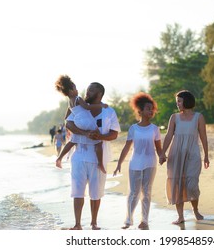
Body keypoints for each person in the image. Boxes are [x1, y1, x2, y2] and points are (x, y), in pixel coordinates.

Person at [65, 81, 120, 230]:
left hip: (99, 158)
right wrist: (84, 133)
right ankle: (77, 224)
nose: (87, 93)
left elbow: (114, 134)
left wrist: (100, 137)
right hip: (79, 156)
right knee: (77, 191)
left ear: (99, 94)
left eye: (90, 91)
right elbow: (68, 124)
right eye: (87, 90)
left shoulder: (109, 111)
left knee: (96, 193)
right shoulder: (80, 108)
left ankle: (94, 223)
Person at [159, 90, 210, 225]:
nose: (178, 104)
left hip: (192, 153)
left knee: (192, 183)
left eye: (179, 101)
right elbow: (169, 135)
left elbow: (203, 137)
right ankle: (180, 216)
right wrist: (162, 152)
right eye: (177, 102)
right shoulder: (174, 117)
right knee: (177, 184)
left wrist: (206, 156)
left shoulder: (198, 117)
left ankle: (195, 209)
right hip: (176, 154)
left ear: (187, 101)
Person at [113, 93, 162, 230]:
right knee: (134, 192)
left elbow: (159, 149)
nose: (151, 111)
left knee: (146, 192)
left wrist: (163, 157)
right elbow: (126, 147)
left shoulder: (155, 129)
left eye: (152, 108)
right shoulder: (133, 129)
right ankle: (128, 220)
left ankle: (144, 221)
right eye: (148, 108)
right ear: (140, 111)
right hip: (135, 163)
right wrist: (118, 164)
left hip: (150, 163)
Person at [55, 75, 107, 173]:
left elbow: (66, 117)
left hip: (77, 121)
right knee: (99, 141)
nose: (77, 90)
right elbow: (87, 108)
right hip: (86, 120)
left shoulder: (69, 102)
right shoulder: (78, 98)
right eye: (75, 88)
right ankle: (100, 163)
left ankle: (59, 158)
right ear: (71, 91)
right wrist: (100, 105)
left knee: (72, 141)